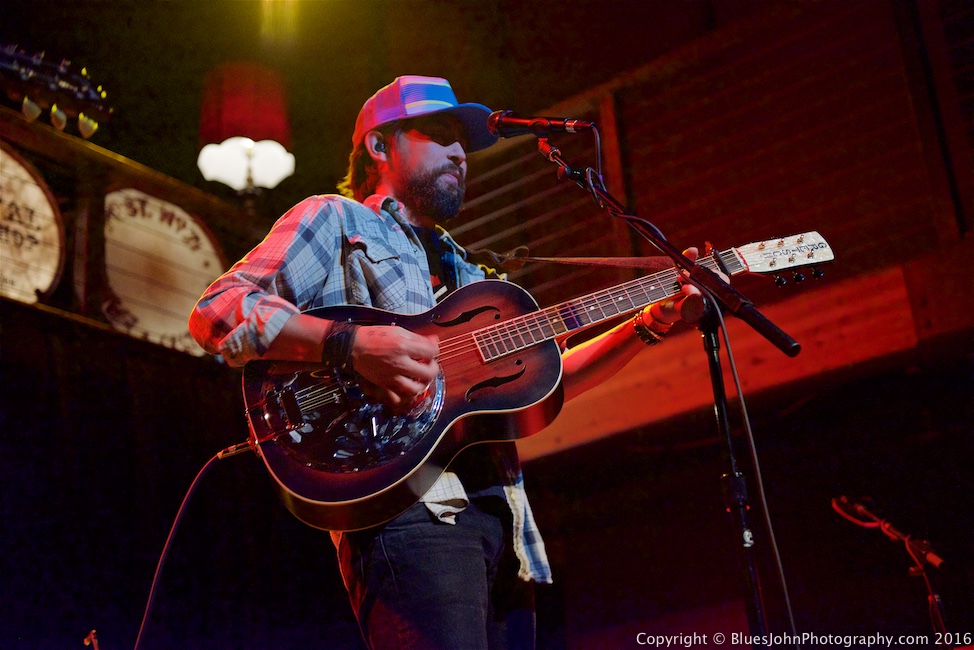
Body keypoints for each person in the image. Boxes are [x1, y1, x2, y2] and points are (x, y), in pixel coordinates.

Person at [189, 75, 708, 650]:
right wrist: (350, 343)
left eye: (464, 141)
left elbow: (548, 378)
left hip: (506, 527)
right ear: (379, 147)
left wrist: (647, 324)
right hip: (407, 514)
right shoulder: (335, 219)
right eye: (440, 134)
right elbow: (218, 311)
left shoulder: (474, 277)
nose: (461, 152)